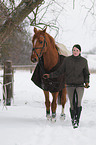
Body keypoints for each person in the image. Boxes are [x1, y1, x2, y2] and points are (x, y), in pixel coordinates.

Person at [43, 44, 90, 128]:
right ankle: (73, 120)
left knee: (78, 103)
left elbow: (86, 73)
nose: (75, 52)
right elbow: (60, 71)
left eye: (76, 50)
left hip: (80, 85)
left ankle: (77, 120)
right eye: (73, 50)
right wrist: (50, 75)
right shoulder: (67, 60)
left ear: (80, 51)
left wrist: (86, 82)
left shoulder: (84, 61)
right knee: (72, 103)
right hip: (69, 85)